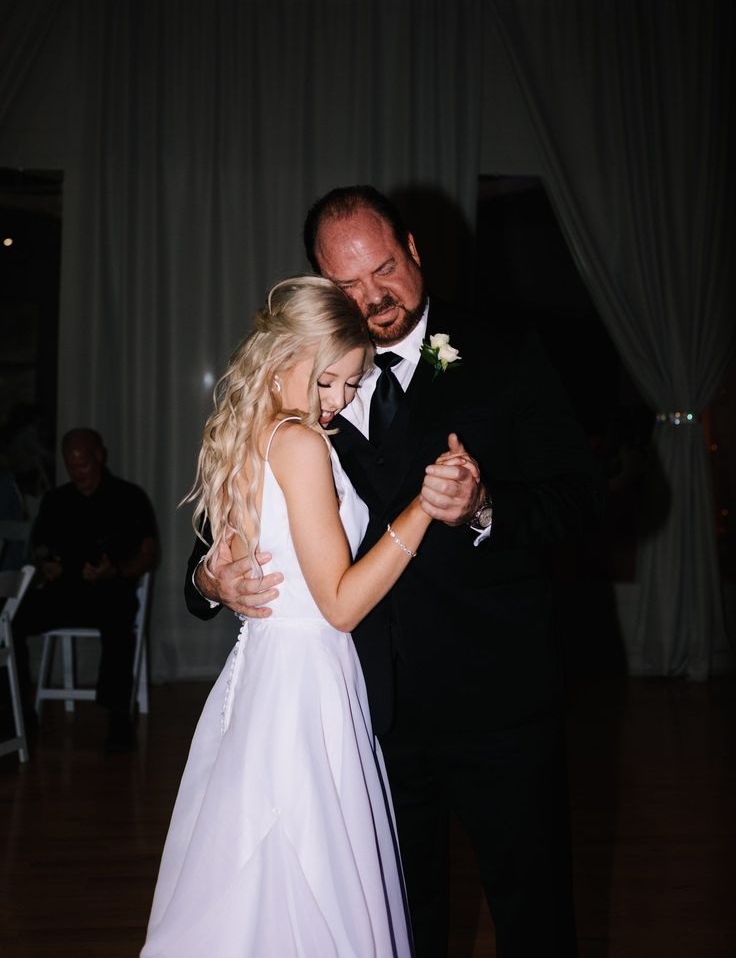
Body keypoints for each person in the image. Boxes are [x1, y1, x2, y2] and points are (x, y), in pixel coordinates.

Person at [186, 187, 606, 957]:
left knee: (534, 916)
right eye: (347, 286)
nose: (372, 297)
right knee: (392, 927)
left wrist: (484, 506)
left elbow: (581, 502)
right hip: (364, 718)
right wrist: (214, 581)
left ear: (414, 249)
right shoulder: (305, 379)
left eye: (384, 270)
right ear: (317, 281)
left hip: (498, 706)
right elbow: (225, 531)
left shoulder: (506, 350)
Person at [142, 276, 465, 957]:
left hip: (266, 673)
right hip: (304, 680)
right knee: (306, 872)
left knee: (265, 879)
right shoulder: (299, 443)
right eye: (331, 382)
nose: (341, 402)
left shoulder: (248, 429)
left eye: (352, 386)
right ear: (287, 356)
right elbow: (341, 604)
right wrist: (424, 511)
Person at [13, 428, 158, 751]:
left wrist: (117, 570)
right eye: (72, 466)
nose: (79, 473)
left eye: (84, 466)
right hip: (65, 593)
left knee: (119, 617)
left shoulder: (128, 497)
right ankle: (19, 712)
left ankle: (118, 716)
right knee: (12, 619)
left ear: (99, 457)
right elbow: (38, 547)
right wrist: (46, 563)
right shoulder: (56, 500)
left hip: (111, 591)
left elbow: (149, 554)